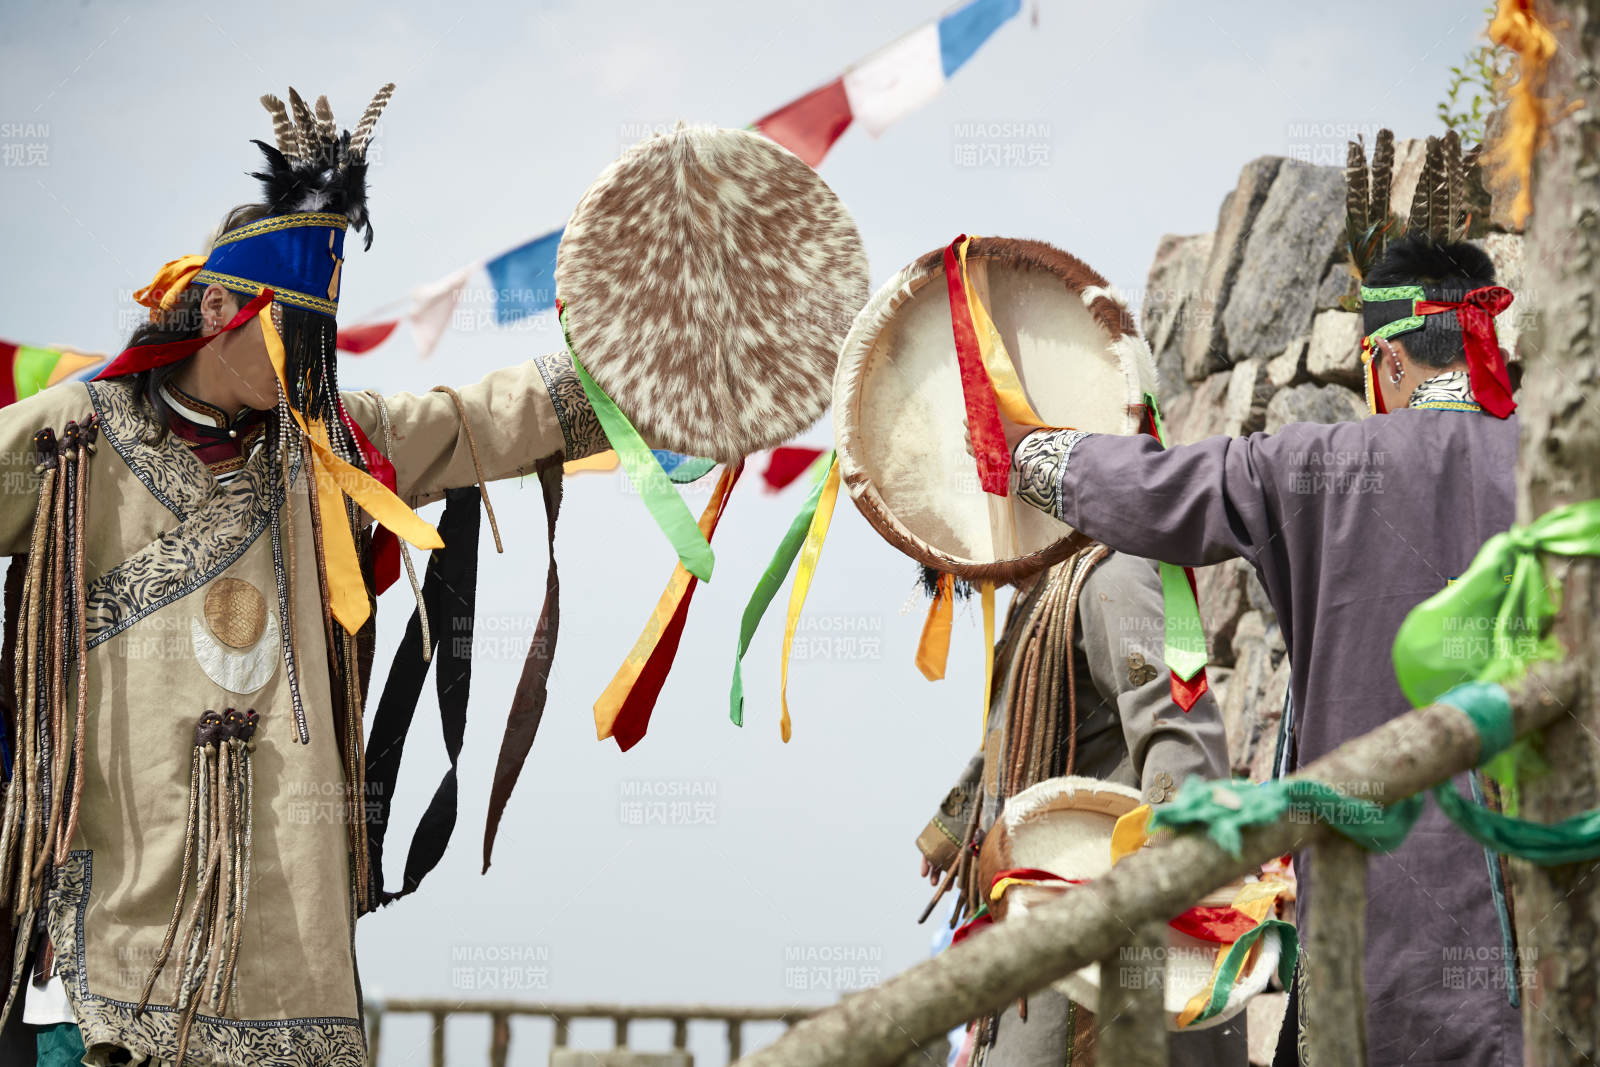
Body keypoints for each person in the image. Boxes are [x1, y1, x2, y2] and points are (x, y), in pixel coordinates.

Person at [0, 86, 606, 1066]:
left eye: (321, 340)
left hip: (290, 950)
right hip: (106, 935)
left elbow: (480, 417)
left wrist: (634, 365)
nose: (305, 369)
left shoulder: (330, 443)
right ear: (215, 306)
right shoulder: (77, 433)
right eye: (290, 335)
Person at [1002, 235, 1522, 1066]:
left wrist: (1022, 451)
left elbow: (1159, 491)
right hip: (1548, 921)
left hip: (1374, 929)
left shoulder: (1314, 466)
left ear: (1384, 359)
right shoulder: (1562, 473)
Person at [914, 548, 1245, 1066]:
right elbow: (1006, 734)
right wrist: (956, 828)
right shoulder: (1040, 594)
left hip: (1098, 922)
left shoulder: (1113, 576)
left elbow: (1176, 725)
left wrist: (1156, 871)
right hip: (1034, 914)